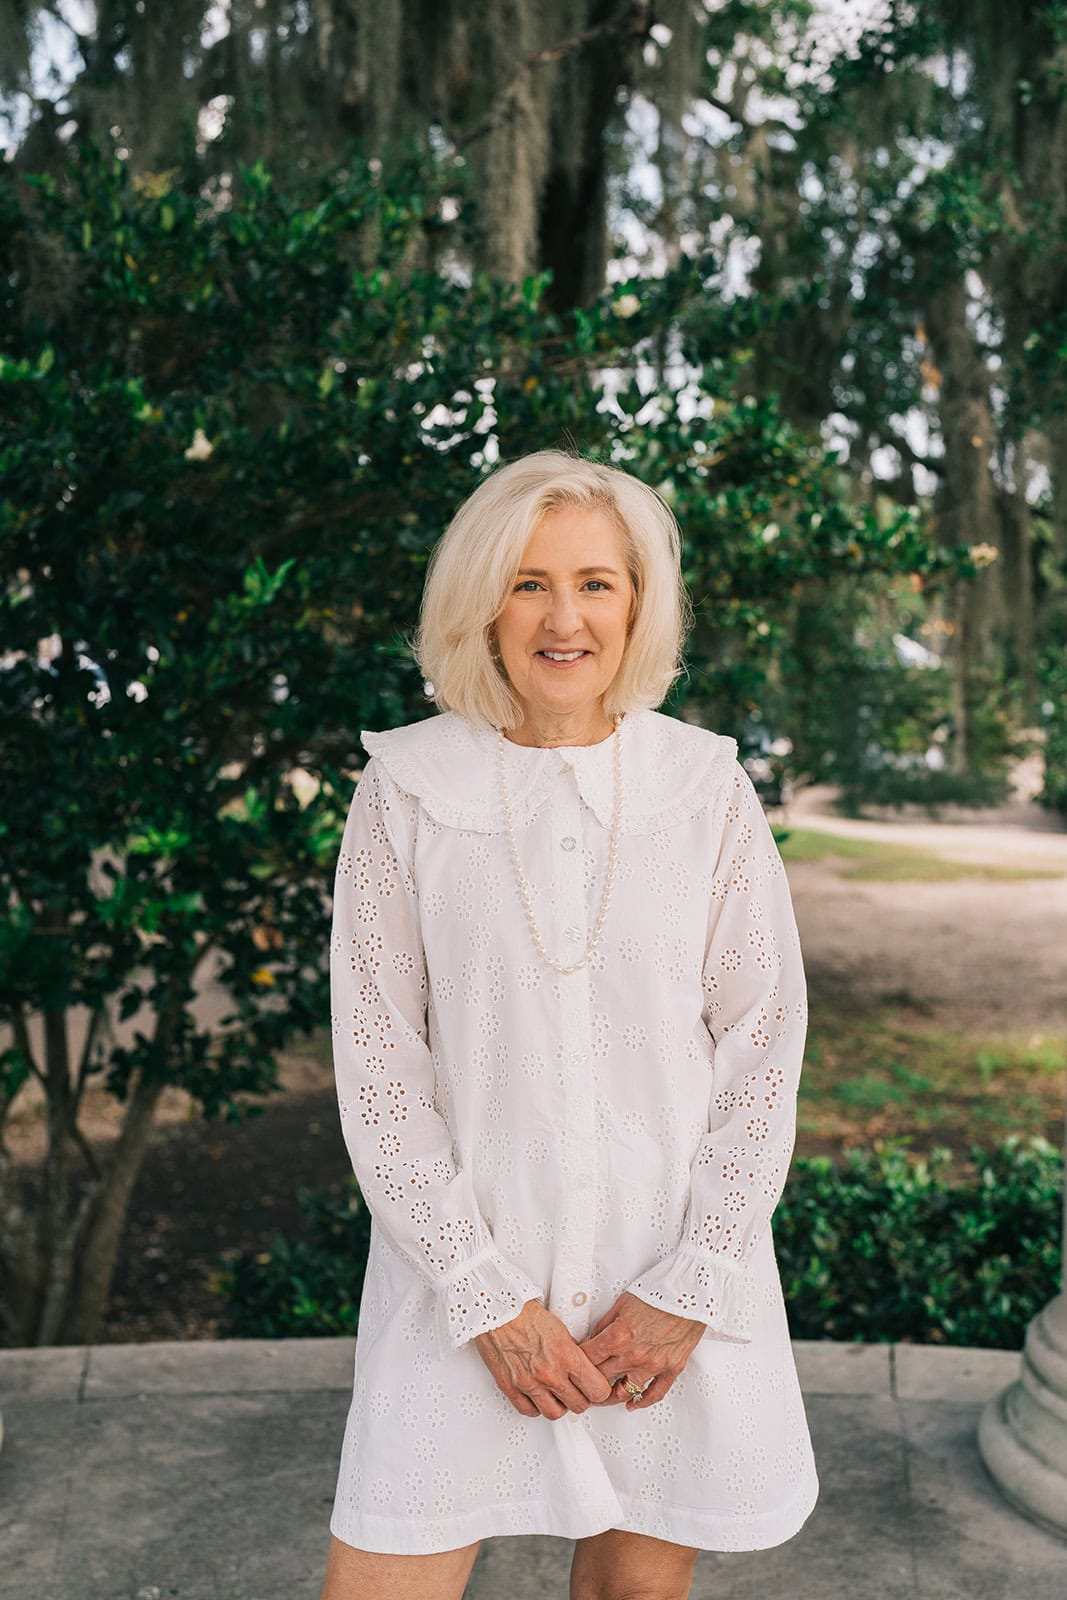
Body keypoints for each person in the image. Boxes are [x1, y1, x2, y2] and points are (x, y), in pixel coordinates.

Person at [319, 450, 818, 1600]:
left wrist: (694, 1281)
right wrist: (483, 1296)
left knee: (630, 1595)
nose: (562, 617)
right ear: (481, 599)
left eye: (595, 582)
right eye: (528, 581)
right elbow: (382, 1069)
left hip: (666, 1294)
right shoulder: (405, 787)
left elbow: (762, 1048)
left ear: (637, 601)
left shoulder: (705, 788)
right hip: (460, 1293)